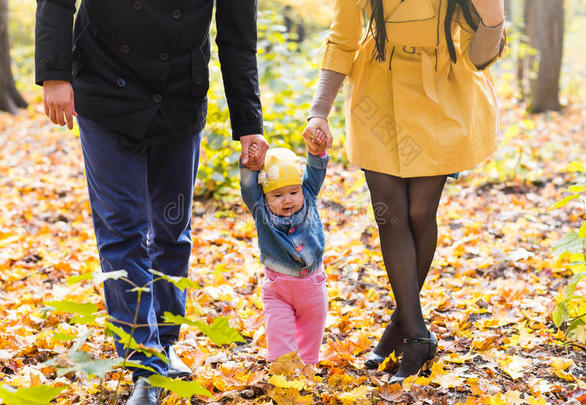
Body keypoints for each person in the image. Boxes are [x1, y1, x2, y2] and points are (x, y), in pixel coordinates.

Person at [35, 0, 268, 403]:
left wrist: (249, 124)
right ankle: (146, 365)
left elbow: (237, 39)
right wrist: (55, 74)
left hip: (179, 93)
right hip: (104, 83)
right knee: (122, 229)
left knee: (171, 229)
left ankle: (165, 340)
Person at [305, 0, 505, 384]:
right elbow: (342, 38)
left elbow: (479, 59)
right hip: (377, 94)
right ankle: (415, 334)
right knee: (390, 216)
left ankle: (400, 328)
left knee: (418, 214)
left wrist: (494, 17)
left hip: (443, 93)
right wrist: (319, 110)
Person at [239, 132, 330, 366]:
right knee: (280, 338)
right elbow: (249, 187)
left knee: (310, 342)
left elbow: (316, 171)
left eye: (293, 192)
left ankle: (307, 371)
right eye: (277, 195)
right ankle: (284, 374)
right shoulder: (260, 208)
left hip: (312, 286)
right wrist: (251, 165)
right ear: (265, 196)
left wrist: (316, 151)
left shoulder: (307, 195)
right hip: (277, 289)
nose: (287, 200)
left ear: (301, 188)